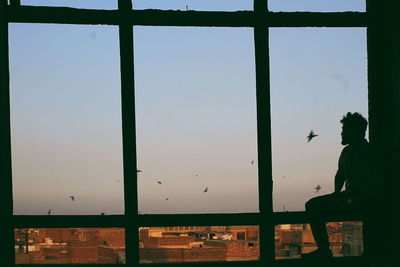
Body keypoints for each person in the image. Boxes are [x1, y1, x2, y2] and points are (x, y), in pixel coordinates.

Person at [302, 112, 373, 260]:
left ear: (354, 132)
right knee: (312, 205)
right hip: (351, 198)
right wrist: (336, 193)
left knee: (313, 206)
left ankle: (324, 250)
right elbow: (340, 175)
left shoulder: (367, 152)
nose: (341, 133)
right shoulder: (347, 151)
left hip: (361, 199)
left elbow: (351, 177)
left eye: (344, 130)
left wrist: (338, 195)